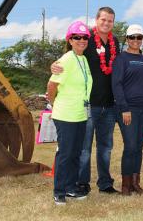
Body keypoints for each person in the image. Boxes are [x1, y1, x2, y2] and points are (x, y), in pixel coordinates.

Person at [51, 7, 121, 194]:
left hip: (109, 104)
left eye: (110, 20)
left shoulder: (115, 41)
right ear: (97, 20)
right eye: (104, 19)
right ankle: (81, 183)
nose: (107, 23)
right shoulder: (86, 38)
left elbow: (118, 66)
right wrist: (55, 65)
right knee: (84, 148)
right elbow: (70, 56)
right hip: (89, 104)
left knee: (105, 148)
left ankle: (105, 183)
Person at [47, 21, 93, 205]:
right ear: (70, 40)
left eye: (84, 37)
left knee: (75, 153)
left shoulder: (83, 58)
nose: (81, 40)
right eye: (77, 37)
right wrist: (53, 103)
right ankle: (59, 191)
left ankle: (71, 187)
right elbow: (51, 85)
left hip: (80, 114)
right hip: (65, 115)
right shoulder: (66, 59)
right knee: (65, 154)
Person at [112, 24, 143, 195]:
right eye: (132, 37)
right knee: (130, 146)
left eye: (139, 37)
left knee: (139, 146)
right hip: (128, 109)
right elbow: (117, 84)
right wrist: (124, 108)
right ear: (127, 39)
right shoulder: (121, 59)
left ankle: (136, 183)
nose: (136, 40)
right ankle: (126, 185)